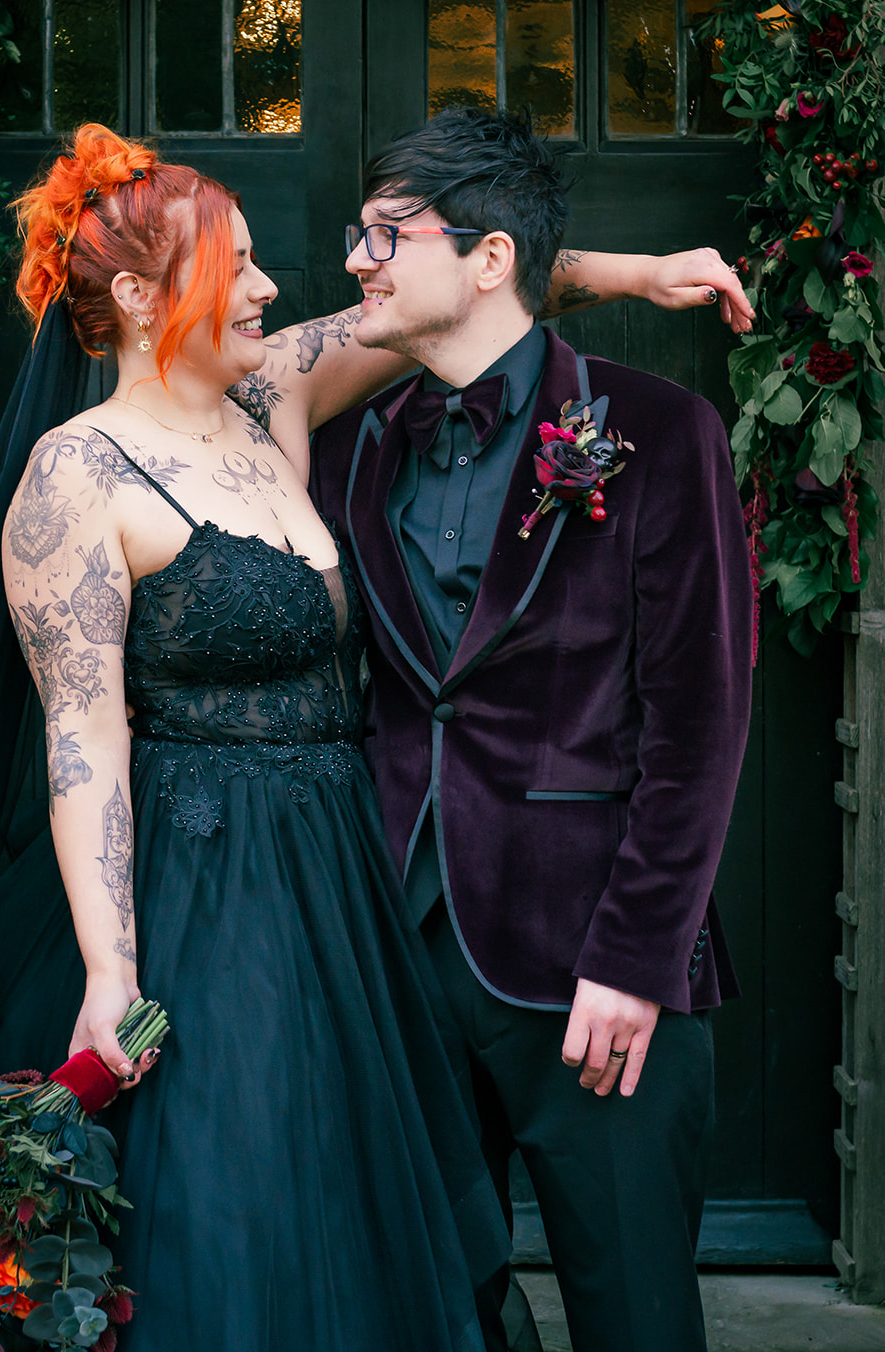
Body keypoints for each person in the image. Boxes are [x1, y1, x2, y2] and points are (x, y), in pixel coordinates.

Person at [0, 117, 751, 1352]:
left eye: (270, 259)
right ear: (147, 297)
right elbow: (81, 743)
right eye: (239, 265)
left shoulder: (278, 397)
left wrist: (633, 275)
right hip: (217, 885)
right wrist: (111, 971)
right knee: (249, 1216)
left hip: (355, 886)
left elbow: (475, 282)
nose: (276, 284)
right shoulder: (78, 474)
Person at [309, 107, 755, 1352]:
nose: (358, 258)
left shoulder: (660, 433)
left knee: (634, 1315)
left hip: (595, 970)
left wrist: (635, 960)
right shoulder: (345, 450)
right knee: (436, 1313)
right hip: (402, 955)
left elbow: (698, 721)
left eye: (387, 234)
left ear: (489, 258)